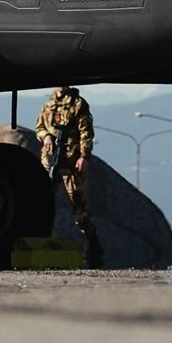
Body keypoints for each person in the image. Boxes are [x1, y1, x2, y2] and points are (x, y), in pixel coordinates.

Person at [35, 85, 103, 266]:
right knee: (44, 203)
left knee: (79, 206)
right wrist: (46, 136)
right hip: (50, 161)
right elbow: (39, 127)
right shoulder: (48, 105)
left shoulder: (78, 104)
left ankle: (94, 246)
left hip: (72, 162)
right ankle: (42, 241)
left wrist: (84, 156)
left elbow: (86, 132)